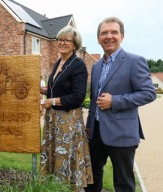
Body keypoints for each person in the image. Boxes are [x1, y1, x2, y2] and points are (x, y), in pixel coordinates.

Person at [85, 17, 156, 192]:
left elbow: (148, 93)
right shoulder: (96, 66)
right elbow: (94, 100)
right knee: (91, 179)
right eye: (104, 33)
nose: (109, 36)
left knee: (123, 184)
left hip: (122, 134)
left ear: (122, 36)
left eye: (114, 32)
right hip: (96, 134)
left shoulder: (135, 61)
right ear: (98, 38)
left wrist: (114, 101)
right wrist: (89, 127)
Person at [40, 25, 93, 191]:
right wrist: (43, 91)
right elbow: (58, 88)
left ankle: (68, 187)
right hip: (54, 119)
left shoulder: (78, 65)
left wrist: (51, 101)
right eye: (60, 39)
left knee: (65, 155)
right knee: (54, 153)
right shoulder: (58, 63)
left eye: (66, 40)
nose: (62, 43)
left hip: (67, 121)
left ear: (74, 44)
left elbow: (78, 97)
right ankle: (55, 187)